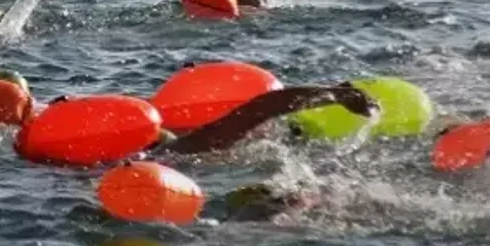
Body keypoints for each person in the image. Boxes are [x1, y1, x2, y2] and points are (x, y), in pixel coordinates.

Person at [153, 82, 377, 156]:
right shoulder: (176, 150)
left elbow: (258, 110)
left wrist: (333, 95)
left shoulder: (172, 152)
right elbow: (258, 110)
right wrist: (333, 95)